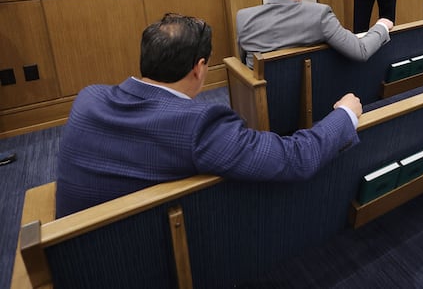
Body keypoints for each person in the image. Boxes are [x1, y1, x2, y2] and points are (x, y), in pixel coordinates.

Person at [56, 13, 362, 217]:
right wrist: (344, 115)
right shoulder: (199, 125)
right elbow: (294, 158)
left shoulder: (87, 98)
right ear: (199, 68)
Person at [236, 0, 393, 68]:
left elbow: (243, 63)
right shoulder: (320, 15)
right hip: (308, 100)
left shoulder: (243, 17)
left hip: (258, 104)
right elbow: (360, 51)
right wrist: (382, 26)